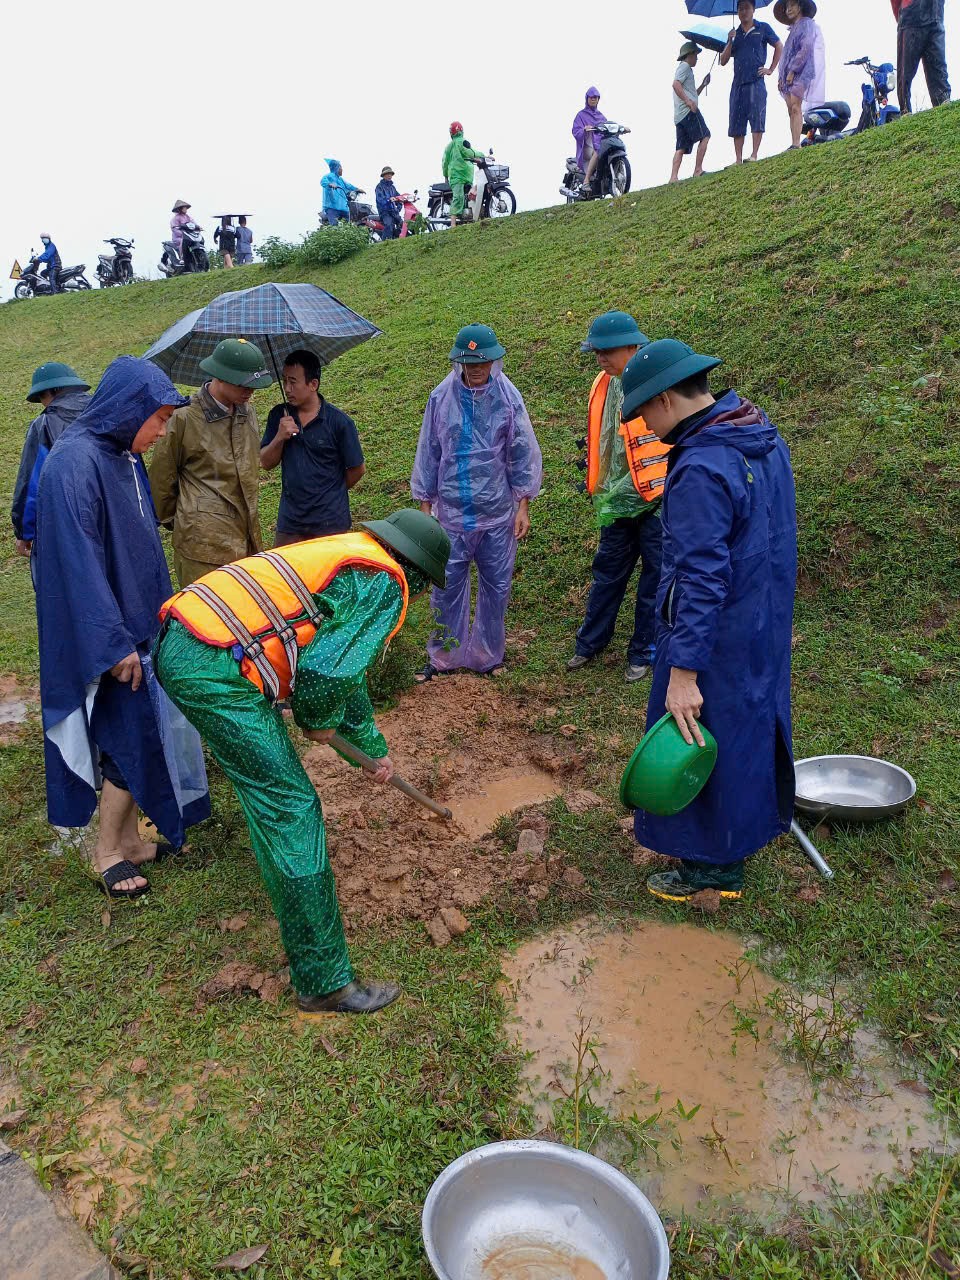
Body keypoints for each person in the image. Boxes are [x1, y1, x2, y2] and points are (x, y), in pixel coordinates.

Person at [154, 509, 450, 1014]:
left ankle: (293, 900)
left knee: (272, 794)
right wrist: (315, 718)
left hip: (188, 641)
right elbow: (326, 672)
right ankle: (324, 981)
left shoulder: (352, 558)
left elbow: (343, 667)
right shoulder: (384, 584)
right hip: (213, 667)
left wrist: (371, 749)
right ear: (419, 576)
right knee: (291, 806)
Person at [619, 339, 797, 903]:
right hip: (761, 619)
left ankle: (711, 869)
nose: (645, 426)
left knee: (699, 732)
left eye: (644, 412)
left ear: (667, 399)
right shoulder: (758, 435)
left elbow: (700, 578)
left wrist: (684, 671)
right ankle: (740, 837)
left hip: (714, 634)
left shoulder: (699, 467)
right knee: (747, 729)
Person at [34, 357, 211, 900]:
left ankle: (132, 840)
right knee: (123, 736)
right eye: (156, 420)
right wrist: (112, 644)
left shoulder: (120, 454)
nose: (160, 433)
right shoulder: (72, 464)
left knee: (144, 729)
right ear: (129, 409)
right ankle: (107, 849)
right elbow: (78, 565)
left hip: (140, 622)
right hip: (108, 637)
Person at [411, 324, 542, 680]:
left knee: (496, 588)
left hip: (497, 514)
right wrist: (427, 511)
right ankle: (443, 656)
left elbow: (520, 451)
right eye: (469, 362)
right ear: (459, 363)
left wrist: (523, 504)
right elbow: (429, 453)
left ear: (494, 362)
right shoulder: (441, 397)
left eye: (482, 362)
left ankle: (487, 655)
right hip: (451, 515)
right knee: (446, 588)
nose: (476, 368)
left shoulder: (507, 397)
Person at [567, 312, 668, 684]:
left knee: (655, 578)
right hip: (617, 499)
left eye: (607, 351)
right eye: (596, 352)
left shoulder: (658, 379)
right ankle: (590, 643)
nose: (601, 359)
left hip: (657, 499)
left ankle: (643, 651)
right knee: (608, 571)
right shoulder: (603, 384)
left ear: (632, 346)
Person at [148, 339, 272, 588]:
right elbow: (161, 479)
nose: (250, 392)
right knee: (207, 619)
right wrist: (186, 520)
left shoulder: (248, 413)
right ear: (221, 377)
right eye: (244, 384)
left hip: (248, 539)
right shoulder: (183, 418)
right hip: (201, 548)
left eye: (254, 385)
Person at [260, 349, 366, 546]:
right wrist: (279, 437)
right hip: (290, 523)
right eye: (284, 381)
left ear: (313, 384)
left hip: (330, 524)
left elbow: (357, 469)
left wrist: (331, 492)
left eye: (293, 382)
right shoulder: (279, 416)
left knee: (329, 576)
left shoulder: (339, 422)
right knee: (286, 575)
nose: (287, 388)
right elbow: (265, 462)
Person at [12, 363, 91, 560]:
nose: (42, 404)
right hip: (118, 517)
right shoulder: (107, 412)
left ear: (53, 391)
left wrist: (24, 532)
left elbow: (31, 483)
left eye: (41, 397)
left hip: (70, 523)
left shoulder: (44, 425)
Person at [720, 0, 784, 162]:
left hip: (756, 80)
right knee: (736, 119)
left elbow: (779, 46)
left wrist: (770, 69)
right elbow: (723, 60)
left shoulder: (763, 27)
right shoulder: (736, 33)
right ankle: (738, 159)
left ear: (753, 10)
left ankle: (754, 154)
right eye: (740, 9)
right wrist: (729, 40)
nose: (744, 12)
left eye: (747, 8)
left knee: (757, 116)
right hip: (738, 83)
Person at [775, 0, 826, 148]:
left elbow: (806, 47)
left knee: (796, 106)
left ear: (800, 6)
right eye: (786, 7)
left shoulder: (807, 24)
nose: (788, 9)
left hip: (801, 70)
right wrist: (781, 76)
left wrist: (793, 70)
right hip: (788, 73)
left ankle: (796, 143)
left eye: (792, 5)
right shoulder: (792, 30)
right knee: (791, 108)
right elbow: (786, 55)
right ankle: (794, 141)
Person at [892, 0, 951, 113]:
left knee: (938, 64)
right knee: (906, 70)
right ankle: (905, 110)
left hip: (936, 15)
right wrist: (902, 17)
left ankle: (943, 102)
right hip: (911, 17)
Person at [672, 43, 713, 182]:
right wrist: (689, 102)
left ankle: (673, 177)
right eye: (695, 55)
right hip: (688, 111)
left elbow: (691, 93)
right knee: (705, 135)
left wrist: (703, 84)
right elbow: (675, 84)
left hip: (679, 116)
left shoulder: (684, 69)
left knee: (681, 146)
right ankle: (698, 170)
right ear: (689, 55)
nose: (697, 58)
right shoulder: (685, 67)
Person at [442, 123, 485, 228]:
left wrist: (445, 176)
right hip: (460, 176)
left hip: (460, 176)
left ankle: (466, 218)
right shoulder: (460, 142)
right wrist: (483, 155)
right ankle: (453, 225)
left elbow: (444, 163)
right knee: (459, 197)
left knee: (466, 197)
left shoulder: (449, 146)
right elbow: (470, 152)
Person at [572, 88, 607, 196]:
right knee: (598, 151)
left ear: (598, 99)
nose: (593, 99)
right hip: (586, 148)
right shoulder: (581, 115)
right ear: (587, 99)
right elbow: (575, 131)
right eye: (591, 97)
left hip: (599, 145)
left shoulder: (601, 116)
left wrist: (622, 128)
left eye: (595, 98)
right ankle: (586, 181)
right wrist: (584, 129)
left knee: (604, 150)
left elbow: (607, 127)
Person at [321, 159, 360, 226]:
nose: (342, 170)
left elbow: (348, 185)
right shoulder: (328, 176)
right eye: (341, 168)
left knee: (351, 224)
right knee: (334, 226)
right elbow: (323, 181)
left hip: (343, 207)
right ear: (337, 168)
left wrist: (357, 189)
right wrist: (330, 184)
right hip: (332, 207)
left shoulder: (340, 179)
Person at [375, 167, 403, 240]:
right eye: (387, 174)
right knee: (389, 224)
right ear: (383, 176)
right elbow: (380, 200)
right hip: (384, 212)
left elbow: (399, 198)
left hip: (394, 212)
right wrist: (388, 200)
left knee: (403, 224)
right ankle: (385, 244)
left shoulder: (392, 187)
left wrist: (398, 208)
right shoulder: (379, 187)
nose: (389, 175)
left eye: (390, 174)